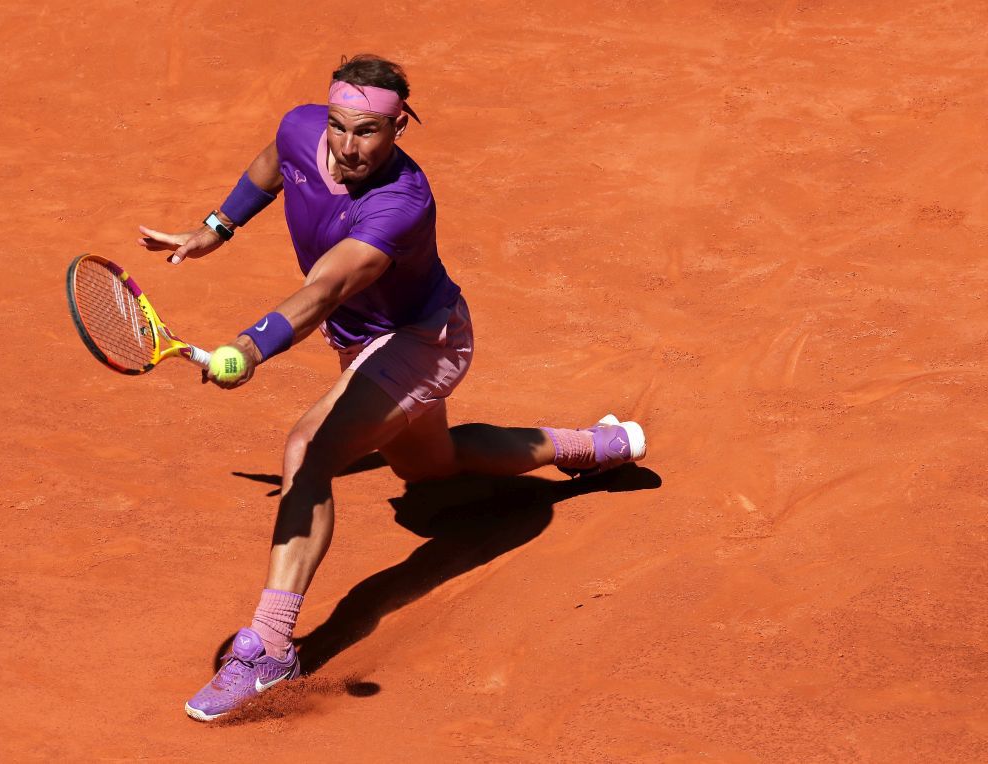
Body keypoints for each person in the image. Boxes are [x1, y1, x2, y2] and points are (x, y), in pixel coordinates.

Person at [138, 54, 647, 722]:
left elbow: (326, 289)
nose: (348, 147)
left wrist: (250, 345)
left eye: (368, 133)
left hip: (422, 340)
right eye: (340, 128)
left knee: (309, 452)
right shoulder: (302, 130)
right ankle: (589, 445)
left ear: (398, 127)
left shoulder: (400, 205)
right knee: (431, 466)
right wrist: (216, 228)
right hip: (364, 343)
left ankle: (269, 645)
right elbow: (273, 166)